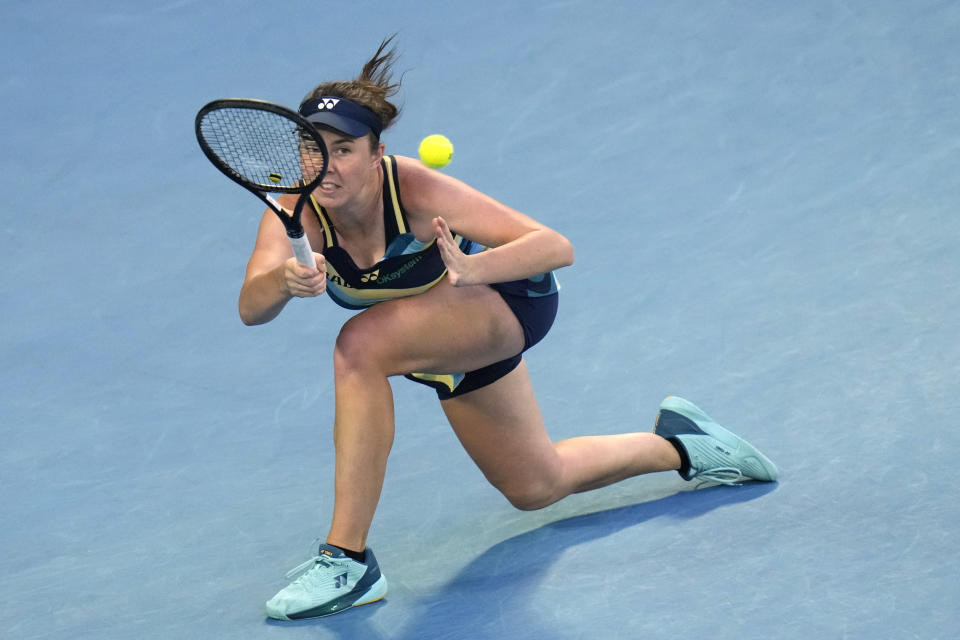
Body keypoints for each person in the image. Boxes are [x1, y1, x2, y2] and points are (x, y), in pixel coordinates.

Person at [236, 38, 779, 621]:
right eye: (313, 150)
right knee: (535, 485)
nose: (327, 166)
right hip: (431, 340)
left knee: (359, 345)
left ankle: (346, 559)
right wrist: (284, 282)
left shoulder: (416, 190)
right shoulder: (293, 210)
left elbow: (554, 246)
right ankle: (684, 444)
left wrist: (475, 268)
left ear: (376, 155)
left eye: (344, 150)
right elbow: (252, 307)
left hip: (503, 301)